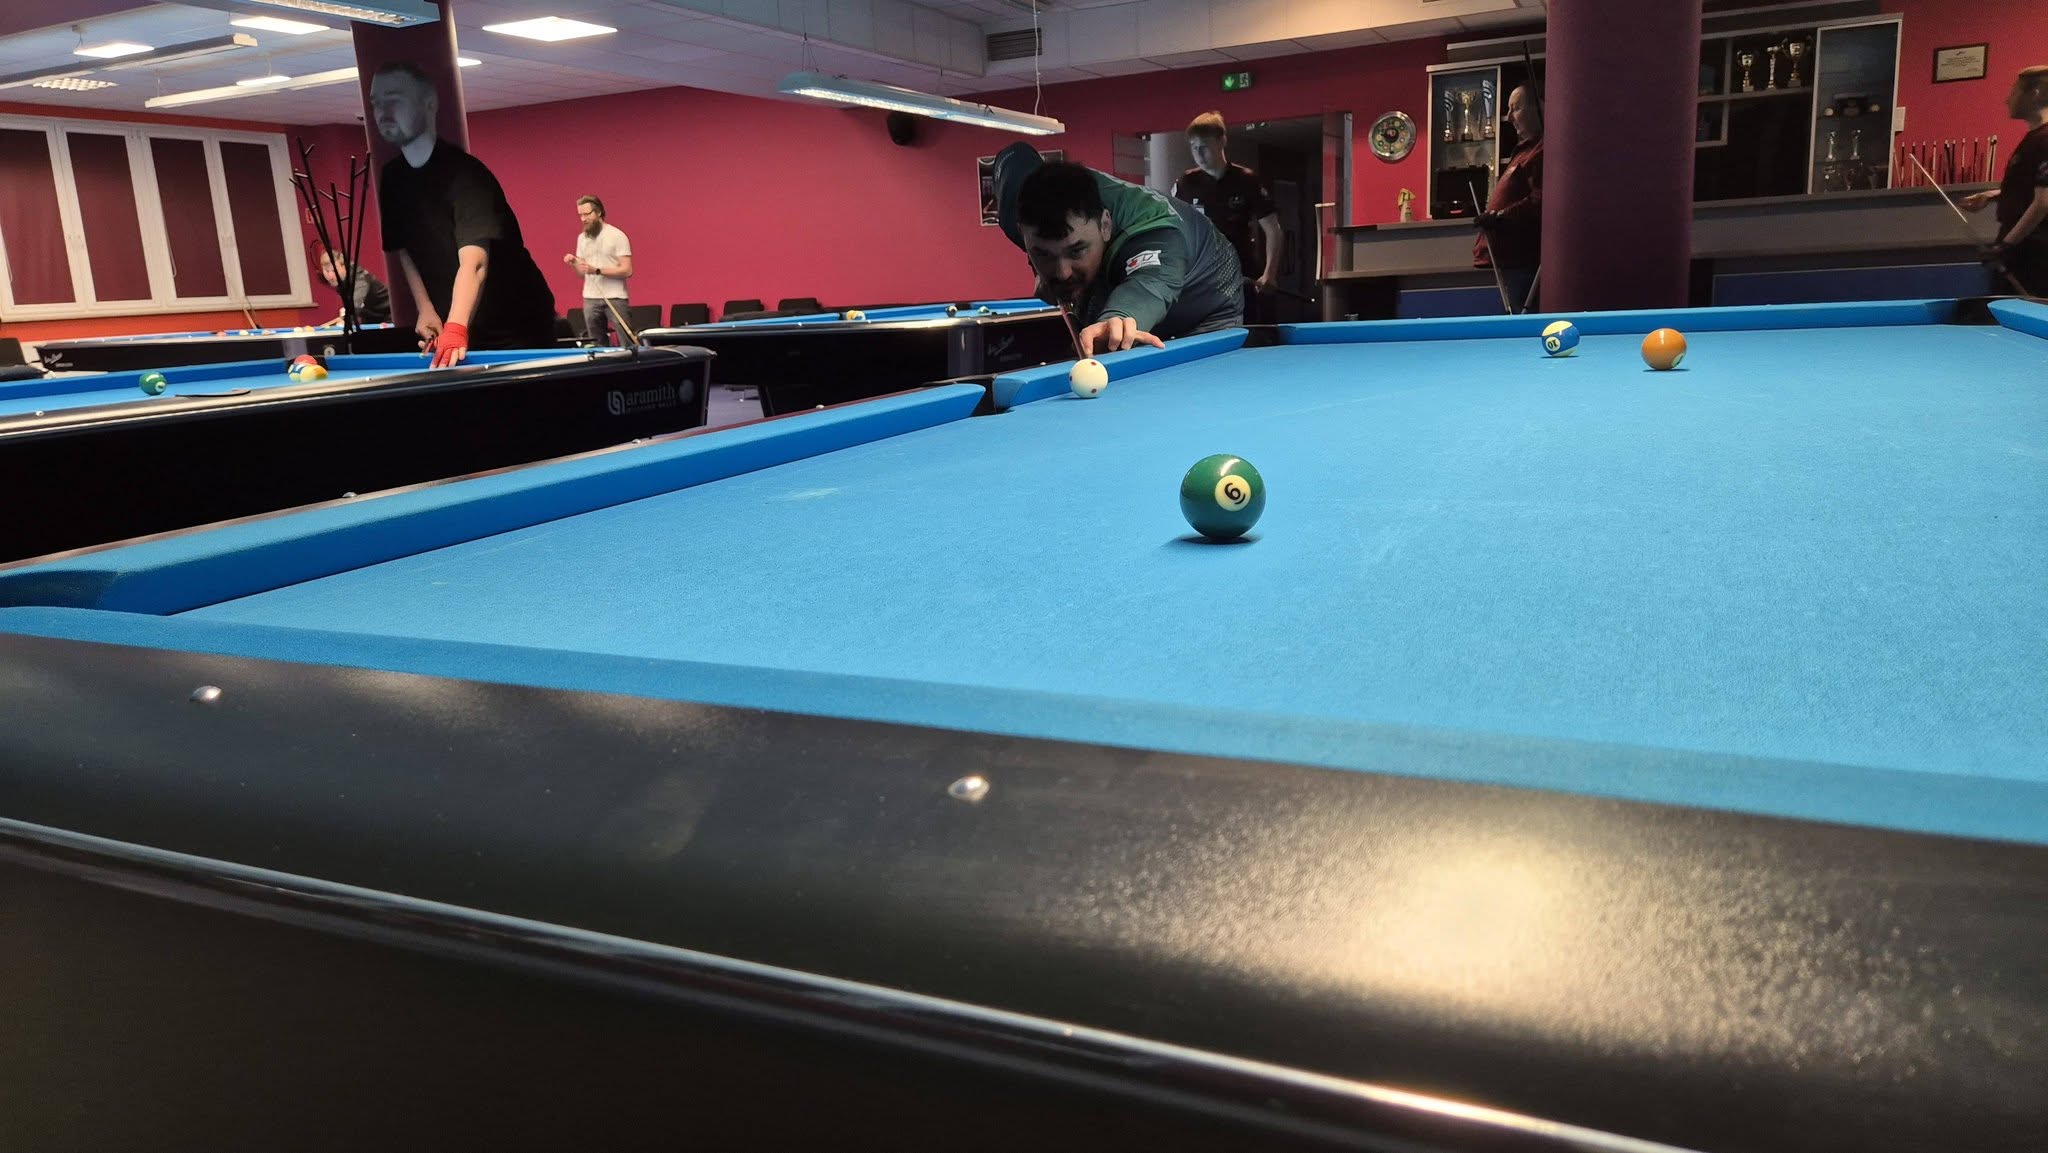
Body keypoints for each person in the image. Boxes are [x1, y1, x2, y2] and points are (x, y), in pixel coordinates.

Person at [370, 60, 557, 367]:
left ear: (428, 103)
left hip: (517, 323)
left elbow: (475, 263)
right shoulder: (392, 178)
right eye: (376, 102)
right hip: (463, 321)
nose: (382, 111)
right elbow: (403, 248)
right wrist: (426, 307)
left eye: (394, 99)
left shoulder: (466, 176)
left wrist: (456, 327)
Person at [991, 142, 1242, 355]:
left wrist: (1119, 317)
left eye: (1076, 251)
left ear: (1105, 225)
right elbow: (1015, 155)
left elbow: (1149, 284)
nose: (1063, 272)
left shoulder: (1154, 229)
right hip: (1114, 276)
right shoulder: (1016, 213)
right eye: (1043, 253)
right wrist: (1043, 271)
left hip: (1207, 301)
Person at [1171, 112, 1283, 323]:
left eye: (1204, 146)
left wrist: (1270, 273)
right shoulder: (1186, 183)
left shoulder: (1246, 180)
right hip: (1202, 277)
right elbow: (1174, 230)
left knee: (1248, 331)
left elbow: (1273, 229)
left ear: (1222, 141)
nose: (1199, 153)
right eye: (1194, 147)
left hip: (1243, 275)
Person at [1960, 65, 2048, 297]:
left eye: (2014, 91)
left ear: (2036, 93)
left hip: (2034, 254)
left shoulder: (2046, 138)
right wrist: (1992, 195)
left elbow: (2043, 203)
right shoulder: (2036, 138)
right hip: (2023, 248)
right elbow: (2034, 186)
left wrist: (2006, 246)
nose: (2007, 99)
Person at [1473, 85, 1544, 314]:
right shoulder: (1525, 150)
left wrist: (1499, 217)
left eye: (1516, 108)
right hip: (1509, 261)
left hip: (1524, 260)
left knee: (1524, 324)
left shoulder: (1542, 150)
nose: (1509, 117)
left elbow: (1539, 201)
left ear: (1539, 106)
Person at [563, 195, 634, 345]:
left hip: (615, 297)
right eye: (580, 215)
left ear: (599, 212)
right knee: (597, 344)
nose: (583, 219)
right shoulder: (582, 238)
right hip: (590, 298)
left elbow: (627, 270)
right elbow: (582, 274)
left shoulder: (617, 236)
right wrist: (574, 263)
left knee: (627, 343)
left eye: (587, 214)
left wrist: (597, 270)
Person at [310, 244, 392, 326]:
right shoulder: (340, 279)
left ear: (344, 267)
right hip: (371, 317)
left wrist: (346, 319)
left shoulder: (359, 277)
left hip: (390, 315)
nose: (330, 275)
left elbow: (355, 304)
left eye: (334, 271)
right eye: (327, 271)